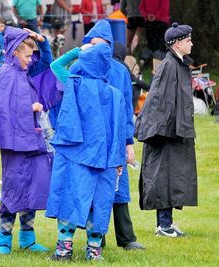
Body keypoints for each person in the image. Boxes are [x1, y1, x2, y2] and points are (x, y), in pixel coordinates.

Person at [45, 41, 126, 261]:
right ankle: (93, 251)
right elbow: (119, 129)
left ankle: (64, 249)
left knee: (69, 197)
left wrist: (78, 51)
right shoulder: (115, 94)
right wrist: (119, 160)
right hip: (105, 158)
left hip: (75, 155)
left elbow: (56, 65)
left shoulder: (75, 84)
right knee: (99, 202)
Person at [0, 26, 53, 255]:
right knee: (13, 188)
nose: (30, 60)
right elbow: (1, 110)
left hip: (34, 140)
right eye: (27, 55)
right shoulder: (3, 75)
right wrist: (30, 108)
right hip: (15, 143)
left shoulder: (27, 71)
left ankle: (27, 237)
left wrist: (42, 42)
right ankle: (4, 238)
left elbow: (46, 62)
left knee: (34, 188)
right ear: (15, 52)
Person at [82, 19, 145, 250]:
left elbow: (128, 109)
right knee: (95, 188)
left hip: (116, 139)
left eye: (101, 44)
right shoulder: (82, 68)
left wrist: (129, 142)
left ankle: (126, 237)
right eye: (93, 44)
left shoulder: (120, 71)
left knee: (119, 187)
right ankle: (97, 239)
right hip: (92, 138)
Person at [134, 22, 197, 237]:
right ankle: (163, 225)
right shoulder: (170, 65)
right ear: (177, 43)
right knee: (163, 178)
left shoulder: (178, 64)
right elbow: (158, 101)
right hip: (164, 133)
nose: (191, 44)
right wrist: (160, 131)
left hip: (173, 132)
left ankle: (167, 222)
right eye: (188, 40)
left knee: (173, 177)